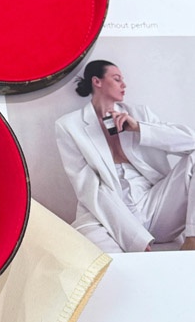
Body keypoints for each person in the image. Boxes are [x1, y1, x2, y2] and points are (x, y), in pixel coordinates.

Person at [55, 60, 195, 253]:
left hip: (154, 204)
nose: (124, 84)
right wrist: (134, 237)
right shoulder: (69, 126)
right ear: (97, 81)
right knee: (92, 247)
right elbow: (88, 188)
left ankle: (192, 239)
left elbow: (191, 141)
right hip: (110, 211)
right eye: (117, 79)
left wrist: (139, 128)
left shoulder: (139, 114)